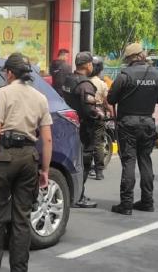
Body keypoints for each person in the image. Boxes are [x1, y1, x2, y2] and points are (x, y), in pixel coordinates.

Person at [0, 53, 53, 272]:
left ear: (9, 73)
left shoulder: (3, 93)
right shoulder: (40, 98)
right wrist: (45, 170)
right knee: (22, 221)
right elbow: (47, 138)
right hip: (29, 159)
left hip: (3, 159)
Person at [107, 43, 158, 215]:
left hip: (128, 123)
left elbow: (111, 98)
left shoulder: (125, 76)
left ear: (130, 58)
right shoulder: (157, 75)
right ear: (141, 55)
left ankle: (126, 204)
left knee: (129, 162)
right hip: (147, 122)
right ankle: (147, 201)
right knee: (145, 161)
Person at [62, 52, 99, 208]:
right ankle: (79, 196)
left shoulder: (69, 79)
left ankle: (73, 193)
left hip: (70, 126)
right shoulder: (85, 85)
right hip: (84, 129)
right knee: (84, 162)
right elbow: (90, 111)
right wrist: (100, 114)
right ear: (88, 65)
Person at [90, 56, 111, 180]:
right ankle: (99, 171)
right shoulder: (101, 84)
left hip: (83, 114)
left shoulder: (82, 81)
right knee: (98, 143)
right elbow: (107, 102)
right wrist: (111, 112)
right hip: (98, 114)